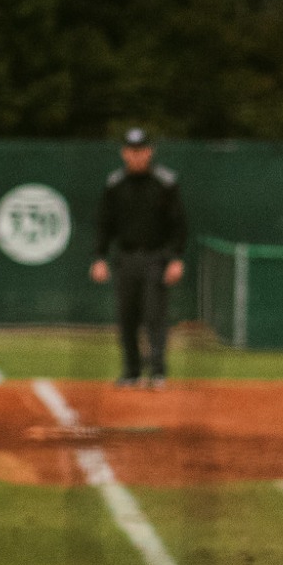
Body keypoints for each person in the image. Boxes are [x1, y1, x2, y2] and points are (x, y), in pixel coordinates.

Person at [90, 128, 190, 389]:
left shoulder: (165, 183)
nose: (136, 156)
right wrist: (99, 257)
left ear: (149, 152)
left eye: (141, 150)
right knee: (127, 317)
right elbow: (104, 224)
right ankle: (131, 371)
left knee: (155, 315)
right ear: (125, 153)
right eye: (131, 151)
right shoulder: (115, 185)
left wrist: (176, 258)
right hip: (125, 258)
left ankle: (157, 372)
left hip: (156, 257)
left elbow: (178, 224)